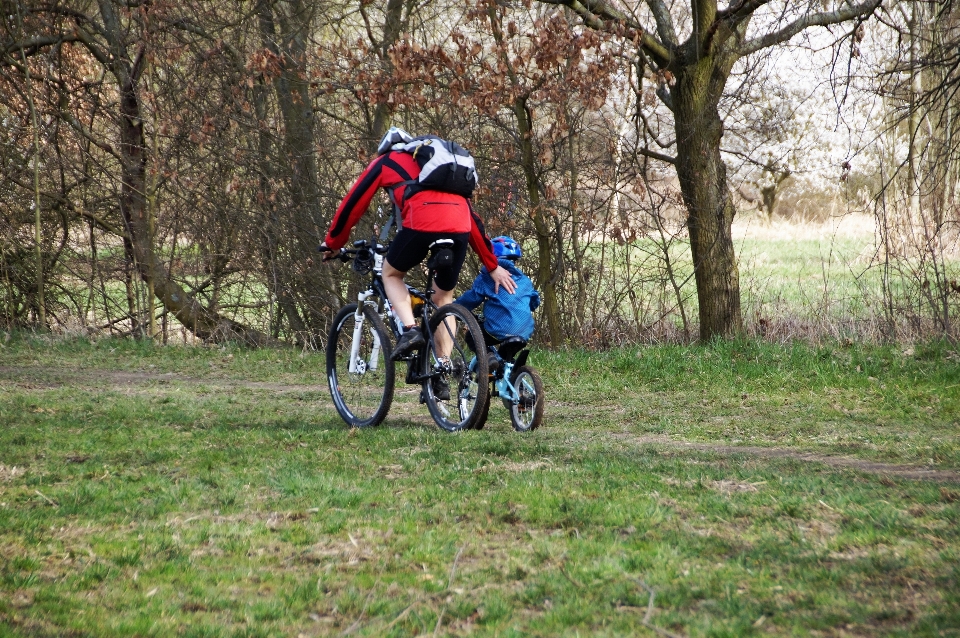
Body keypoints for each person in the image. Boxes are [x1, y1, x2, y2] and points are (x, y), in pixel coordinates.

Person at [319, 127, 517, 366]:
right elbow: (470, 218)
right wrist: (491, 264)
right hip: (460, 228)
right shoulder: (438, 169)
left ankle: (411, 330)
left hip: (420, 224)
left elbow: (354, 203)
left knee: (391, 274)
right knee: (444, 297)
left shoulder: (386, 161)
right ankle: (442, 365)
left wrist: (334, 243)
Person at [455, 236, 540, 357]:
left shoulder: (487, 277)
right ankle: (511, 372)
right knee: (505, 361)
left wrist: (456, 308)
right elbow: (534, 301)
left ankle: (488, 358)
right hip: (525, 331)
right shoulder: (525, 280)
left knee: (472, 336)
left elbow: (473, 298)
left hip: (499, 328)